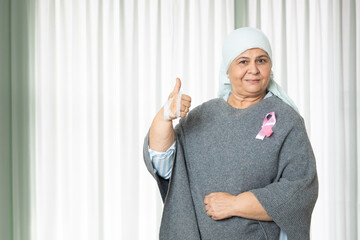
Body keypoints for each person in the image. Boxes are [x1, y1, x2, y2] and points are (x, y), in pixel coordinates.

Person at [143, 27, 318, 240]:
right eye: (243, 61)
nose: (253, 69)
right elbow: (164, 163)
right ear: (227, 69)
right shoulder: (202, 116)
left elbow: (300, 191)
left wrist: (236, 204)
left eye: (261, 60)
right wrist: (164, 117)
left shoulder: (286, 120)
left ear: (270, 67)